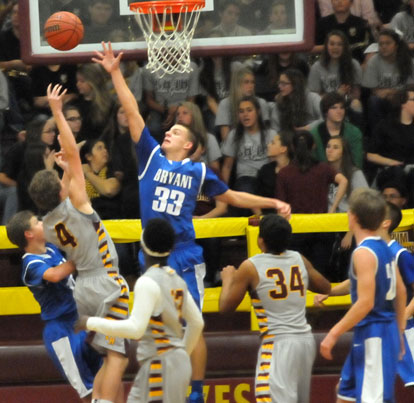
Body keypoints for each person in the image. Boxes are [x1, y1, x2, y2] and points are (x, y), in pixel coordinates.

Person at [93, 41, 291, 403]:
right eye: (169, 130)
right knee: (155, 327)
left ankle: (196, 391)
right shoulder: (150, 158)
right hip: (151, 255)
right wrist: (115, 73)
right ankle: (160, 386)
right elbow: (134, 113)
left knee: (193, 323)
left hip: (184, 254)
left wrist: (271, 201)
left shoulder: (199, 171)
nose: (169, 132)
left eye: (177, 132)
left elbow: (232, 198)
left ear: (189, 146)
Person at [28, 84, 129, 403]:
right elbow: (73, 154)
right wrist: (58, 111)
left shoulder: (46, 225)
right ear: (60, 191)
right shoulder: (78, 205)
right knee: (119, 358)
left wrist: (63, 170)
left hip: (82, 290)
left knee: (105, 356)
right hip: (106, 281)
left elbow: (67, 171)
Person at [78, 217, 204, 403]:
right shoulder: (177, 279)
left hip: (159, 362)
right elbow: (197, 323)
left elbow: (135, 329)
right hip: (178, 364)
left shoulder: (147, 281)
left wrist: (89, 322)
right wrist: (181, 353)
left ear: (143, 245)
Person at [219, 214, 331, 403]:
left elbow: (225, 307)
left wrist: (228, 279)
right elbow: (325, 287)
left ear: (260, 240)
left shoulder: (251, 266)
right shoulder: (298, 258)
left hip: (278, 344)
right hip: (305, 341)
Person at [319, 188, 406, 403]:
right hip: (379, 331)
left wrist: (333, 333)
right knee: (345, 394)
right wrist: (400, 331)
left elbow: (365, 303)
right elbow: (401, 291)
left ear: (353, 217)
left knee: (373, 399)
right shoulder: (387, 247)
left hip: (375, 333)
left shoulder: (363, 253)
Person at [5, 210, 102, 403]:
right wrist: (81, 257)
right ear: (29, 234)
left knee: (104, 376)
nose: (42, 223)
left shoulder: (50, 248)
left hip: (81, 319)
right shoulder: (30, 264)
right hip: (61, 331)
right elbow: (55, 275)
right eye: (37, 222)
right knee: (87, 390)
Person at [221, 96, 275, 215]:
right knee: (246, 189)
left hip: (265, 177)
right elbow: (227, 166)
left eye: (249, 110)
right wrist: (224, 192)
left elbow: (276, 163)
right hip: (246, 178)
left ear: (258, 112)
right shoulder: (234, 135)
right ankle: (260, 217)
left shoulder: (270, 134)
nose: (245, 115)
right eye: (241, 111)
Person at [362, 29, 414, 134]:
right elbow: (374, 90)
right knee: (373, 101)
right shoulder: (374, 61)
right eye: (381, 44)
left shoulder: (408, 61)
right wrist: (392, 92)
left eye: (388, 43)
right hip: (382, 99)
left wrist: (392, 92)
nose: (384, 46)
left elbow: (411, 86)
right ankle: (377, 135)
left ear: (396, 45)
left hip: (403, 97)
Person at [308, 31, 363, 127]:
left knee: (356, 104)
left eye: (339, 44)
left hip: (346, 103)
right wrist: (337, 95)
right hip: (325, 106)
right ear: (326, 46)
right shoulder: (317, 67)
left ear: (344, 47)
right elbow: (314, 96)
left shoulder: (354, 64)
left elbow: (356, 94)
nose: (335, 48)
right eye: (332, 44)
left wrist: (344, 98)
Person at [216, 66, 270, 141]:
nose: (250, 86)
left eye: (252, 82)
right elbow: (225, 138)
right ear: (237, 84)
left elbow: (266, 134)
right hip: (235, 145)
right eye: (246, 82)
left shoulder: (261, 103)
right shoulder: (225, 104)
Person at [311, 92, 363, 168]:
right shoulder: (314, 133)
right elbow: (312, 163)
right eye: (334, 108)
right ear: (325, 111)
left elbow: (357, 163)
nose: (339, 111)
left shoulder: (354, 132)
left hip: (348, 175)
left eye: (342, 107)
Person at [270, 69, 321, 133]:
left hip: (312, 134)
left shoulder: (313, 98)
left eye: (284, 83)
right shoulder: (280, 102)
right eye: (279, 83)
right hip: (289, 137)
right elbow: (275, 127)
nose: (279, 86)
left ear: (295, 84)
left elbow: (325, 117)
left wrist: (307, 127)